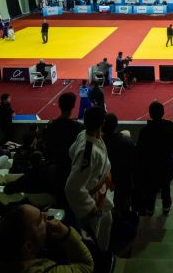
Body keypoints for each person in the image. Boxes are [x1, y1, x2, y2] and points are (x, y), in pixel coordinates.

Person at [0, 204, 94, 273]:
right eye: (40, 220)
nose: (46, 215)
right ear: (28, 247)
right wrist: (67, 234)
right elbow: (85, 267)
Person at [66, 106, 113, 252]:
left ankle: (102, 255)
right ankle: (97, 261)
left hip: (100, 191)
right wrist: (90, 207)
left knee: (106, 225)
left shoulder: (84, 135)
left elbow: (71, 152)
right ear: (102, 123)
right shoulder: (88, 152)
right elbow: (72, 188)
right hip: (93, 201)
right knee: (93, 238)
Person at [136, 101, 173, 215]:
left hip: (150, 165)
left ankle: (150, 208)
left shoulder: (145, 131)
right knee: (166, 186)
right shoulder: (170, 126)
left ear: (150, 114)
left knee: (151, 188)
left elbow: (140, 150)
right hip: (166, 163)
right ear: (163, 113)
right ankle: (166, 206)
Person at [45, 92, 83, 207]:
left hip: (57, 170)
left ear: (59, 105)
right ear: (73, 106)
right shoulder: (79, 128)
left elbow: (47, 149)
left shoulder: (51, 127)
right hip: (73, 170)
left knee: (60, 201)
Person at [103, 113, 136, 217]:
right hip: (124, 184)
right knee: (124, 211)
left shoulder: (97, 143)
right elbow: (134, 164)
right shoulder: (128, 143)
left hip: (104, 186)